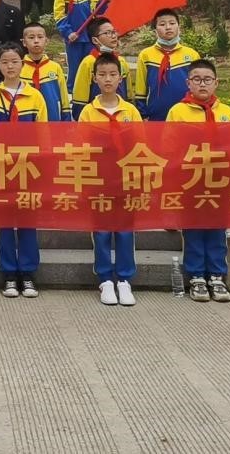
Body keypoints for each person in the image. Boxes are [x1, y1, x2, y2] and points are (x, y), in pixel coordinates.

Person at [0, 43, 48, 298]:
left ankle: (28, 273)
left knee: (28, 221)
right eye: (5, 62)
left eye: (15, 61)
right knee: (5, 221)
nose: (10, 66)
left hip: (28, 166)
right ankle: (9, 272)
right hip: (0, 167)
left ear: (23, 63)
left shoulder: (35, 96)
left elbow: (43, 132)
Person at [166, 59, 230, 303]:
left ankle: (216, 275)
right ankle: (196, 276)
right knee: (194, 227)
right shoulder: (178, 111)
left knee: (217, 228)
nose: (202, 84)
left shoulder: (227, 113)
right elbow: (169, 145)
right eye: (196, 79)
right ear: (188, 83)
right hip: (191, 179)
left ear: (216, 83)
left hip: (219, 179)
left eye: (207, 79)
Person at [78, 53, 143, 307]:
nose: (108, 79)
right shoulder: (88, 112)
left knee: (126, 230)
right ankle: (105, 278)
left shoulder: (131, 111)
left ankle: (124, 279)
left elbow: (141, 145)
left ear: (121, 78)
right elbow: (81, 146)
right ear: (94, 78)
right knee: (102, 230)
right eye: (102, 74)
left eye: (112, 74)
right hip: (98, 179)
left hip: (126, 178)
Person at [133, 8, 201, 122]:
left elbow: (198, 85)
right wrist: (143, 114)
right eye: (162, 24)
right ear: (155, 30)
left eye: (172, 23)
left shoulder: (192, 54)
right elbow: (140, 90)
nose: (168, 27)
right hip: (155, 115)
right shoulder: (146, 55)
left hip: (186, 115)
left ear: (179, 28)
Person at [54, 0, 102, 93]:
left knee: (91, 66)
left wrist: (107, 0)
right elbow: (59, 16)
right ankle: (72, 94)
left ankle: (92, 93)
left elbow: (96, 12)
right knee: (74, 68)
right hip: (73, 38)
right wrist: (68, 33)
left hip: (89, 37)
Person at [70, 17, 131, 120]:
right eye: (107, 33)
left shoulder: (122, 62)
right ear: (95, 40)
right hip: (96, 119)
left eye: (114, 32)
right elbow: (80, 99)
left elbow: (128, 94)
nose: (113, 36)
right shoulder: (88, 63)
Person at [21, 22, 66, 121]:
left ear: (46, 41)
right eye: (31, 37)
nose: (36, 41)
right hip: (27, 120)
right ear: (24, 42)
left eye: (40, 37)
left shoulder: (55, 67)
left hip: (52, 119)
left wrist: (66, 119)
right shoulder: (19, 68)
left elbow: (64, 97)